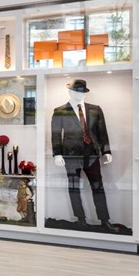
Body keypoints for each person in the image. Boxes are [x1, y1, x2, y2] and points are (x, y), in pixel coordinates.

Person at [51, 79, 114, 230]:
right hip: (71, 156)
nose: (78, 95)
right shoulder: (60, 111)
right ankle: (80, 219)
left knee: (98, 186)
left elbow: (102, 132)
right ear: (69, 92)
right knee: (74, 187)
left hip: (91, 154)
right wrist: (57, 154)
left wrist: (106, 151)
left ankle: (104, 220)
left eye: (81, 92)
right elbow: (55, 134)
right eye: (75, 91)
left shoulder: (95, 109)